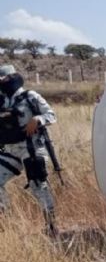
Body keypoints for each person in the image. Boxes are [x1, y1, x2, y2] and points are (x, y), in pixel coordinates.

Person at [0, 65, 58, 236]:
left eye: (4, 79)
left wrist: (38, 119)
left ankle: (51, 225)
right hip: (10, 149)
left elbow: (51, 115)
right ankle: (7, 221)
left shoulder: (30, 97)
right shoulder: (1, 100)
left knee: (38, 184)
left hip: (32, 147)